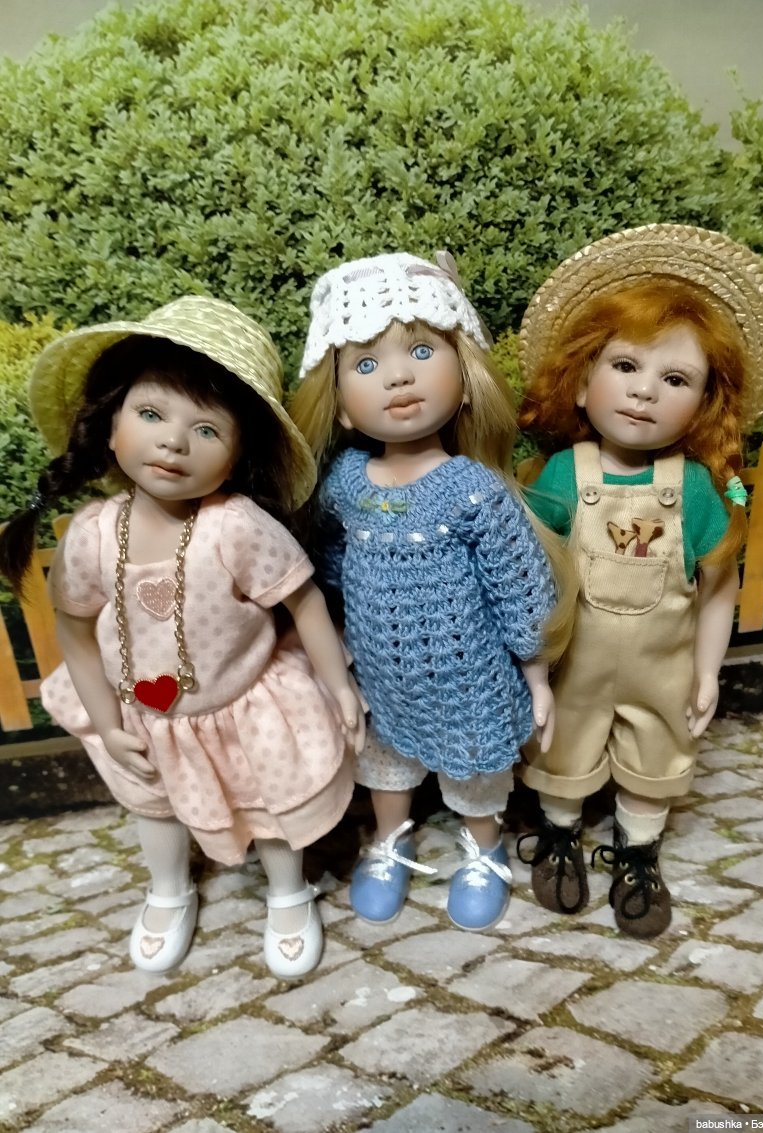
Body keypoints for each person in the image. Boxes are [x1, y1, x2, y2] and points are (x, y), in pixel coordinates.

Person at [0, 296, 365, 977]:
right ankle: (169, 889)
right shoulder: (93, 535)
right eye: (150, 414)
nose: (173, 442)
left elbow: (305, 600)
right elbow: (75, 633)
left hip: (245, 707)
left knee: (272, 805)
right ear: (111, 426)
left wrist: (338, 685)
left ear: (237, 454)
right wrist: (106, 723)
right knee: (155, 807)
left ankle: (288, 891)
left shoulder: (236, 526)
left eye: (205, 429)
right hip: (141, 714)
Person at [515, 224, 763, 937]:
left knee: (657, 754)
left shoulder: (694, 488)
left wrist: (706, 671)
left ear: (703, 404)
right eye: (625, 366)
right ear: (582, 382)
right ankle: (559, 832)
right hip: (573, 663)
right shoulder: (562, 475)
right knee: (561, 746)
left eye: (675, 380)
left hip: (662, 668)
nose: (644, 392)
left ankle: (638, 850)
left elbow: (719, 586)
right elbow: (529, 575)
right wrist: (532, 668)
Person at [290, 252, 569, 931]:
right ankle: (391, 839)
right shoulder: (346, 483)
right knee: (385, 766)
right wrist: (338, 642)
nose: (399, 376)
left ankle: (484, 846)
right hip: (381, 675)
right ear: (342, 407)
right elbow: (331, 566)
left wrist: (536, 673)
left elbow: (519, 585)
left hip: (468, 677)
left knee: (475, 773)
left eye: (421, 352)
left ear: (466, 380)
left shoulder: (472, 489)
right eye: (366, 365)